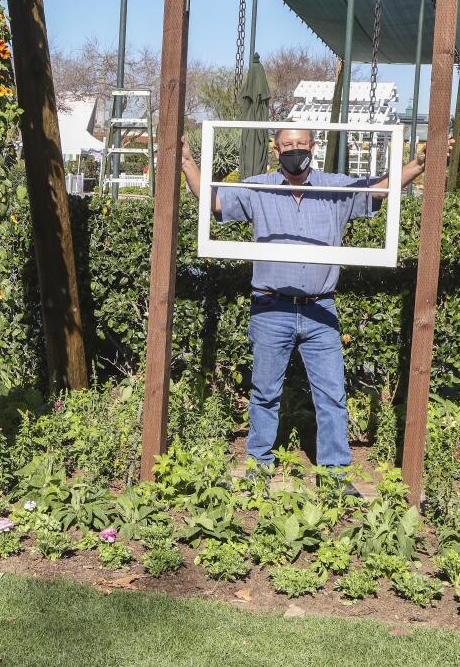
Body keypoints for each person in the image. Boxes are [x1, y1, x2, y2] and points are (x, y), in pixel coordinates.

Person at [180, 127, 429, 497]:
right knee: (264, 392)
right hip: (271, 307)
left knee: (331, 395)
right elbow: (212, 200)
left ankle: (335, 478)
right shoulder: (259, 188)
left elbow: (381, 189)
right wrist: (185, 161)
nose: (295, 150)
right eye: (287, 145)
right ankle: (257, 470)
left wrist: (418, 165)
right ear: (276, 148)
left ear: (313, 147)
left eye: (301, 144)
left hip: (320, 311)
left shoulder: (335, 187)